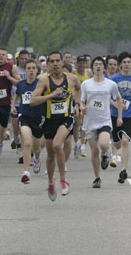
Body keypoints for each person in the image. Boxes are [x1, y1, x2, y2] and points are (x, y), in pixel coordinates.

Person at [30, 51, 81, 201]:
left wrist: (77, 104)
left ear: (62, 63)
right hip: (49, 120)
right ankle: (51, 181)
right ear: (48, 65)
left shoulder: (71, 79)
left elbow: (78, 88)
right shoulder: (44, 81)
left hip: (66, 118)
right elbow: (33, 101)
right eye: (52, 61)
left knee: (59, 145)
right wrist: (51, 95)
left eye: (58, 61)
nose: (55, 64)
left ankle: (64, 181)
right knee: (51, 155)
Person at [81, 56, 123, 188]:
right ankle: (97, 177)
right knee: (94, 151)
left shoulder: (111, 84)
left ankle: (105, 154)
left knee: (104, 145)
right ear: (92, 68)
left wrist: (120, 116)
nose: (98, 66)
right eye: (96, 64)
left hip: (104, 120)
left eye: (100, 64)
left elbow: (118, 99)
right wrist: (82, 107)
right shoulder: (86, 84)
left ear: (104, 68)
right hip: (90, 121)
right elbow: (82, 100)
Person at [110, 51, 131, 183]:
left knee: (125, 142)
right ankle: (111, 152)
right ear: (120, 65)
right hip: (114, 114)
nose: (126, 64)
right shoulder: (114, 80)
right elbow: (108, 97)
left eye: (129, 62)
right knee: (117, 143)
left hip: (130, 114)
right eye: (124, 62)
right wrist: (117, 104)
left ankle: (123, 169)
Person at [11, 59, 44, 184]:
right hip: (24, 116)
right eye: (29, 68)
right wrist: (13, 106)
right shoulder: (21, 84)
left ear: (37, 70)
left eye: (33, 68)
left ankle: (37, 159)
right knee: (27, 142)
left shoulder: (40, 84)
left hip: (38, 118)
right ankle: (26, 172)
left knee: (36, 148)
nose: (31, 70)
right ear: (25, 71)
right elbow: (17, 95)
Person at [73, 55, 92, 158]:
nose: (82, 65)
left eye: (84, 63)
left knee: (84, 123)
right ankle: (76, 143)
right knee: (77, 123)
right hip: (76, 100)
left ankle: (83, 145)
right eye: (80, 63)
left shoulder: (89, 74)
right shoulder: (73, 74)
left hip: (86, 101)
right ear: (76, 64)